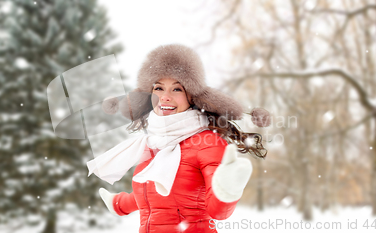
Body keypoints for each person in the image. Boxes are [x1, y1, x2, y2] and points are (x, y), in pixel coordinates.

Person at [87, 44, 266, 233]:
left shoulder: (207, 143)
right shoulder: (152, 143)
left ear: (192, 97)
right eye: (158, 88)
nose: (165, 97)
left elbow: (217, 211)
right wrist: (119, 204)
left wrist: (228, 189)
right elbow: (152, 194)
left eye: (177, 89)